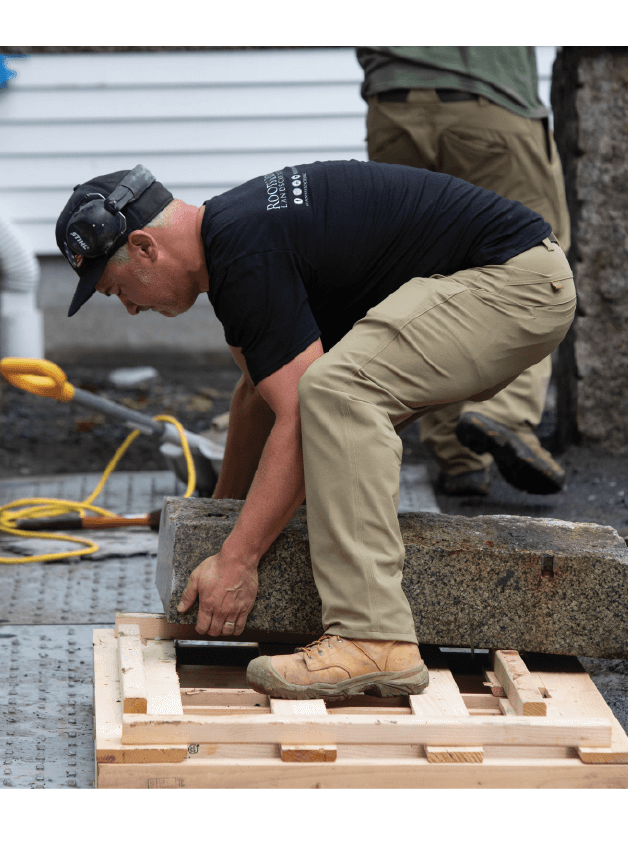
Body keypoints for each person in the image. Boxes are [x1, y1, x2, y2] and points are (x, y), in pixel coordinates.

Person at [55, 160, 575, 700]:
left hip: (515, 282)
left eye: (117, 289)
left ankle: (373, 638)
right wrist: (216, 526)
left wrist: (238, 561)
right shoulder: (237, 238)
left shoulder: (245, 253)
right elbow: (258, 396)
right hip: (500, 277)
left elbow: (300, 412)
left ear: (144, 246)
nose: (132, 308)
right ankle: (359, 618)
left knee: (338, 394)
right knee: (327, 403)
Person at [357, 46, 573, 497]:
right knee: (535, 259)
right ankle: (506, 413)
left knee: (424, 274)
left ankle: (459, 458)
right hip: (488, 99)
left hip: (392, 104)